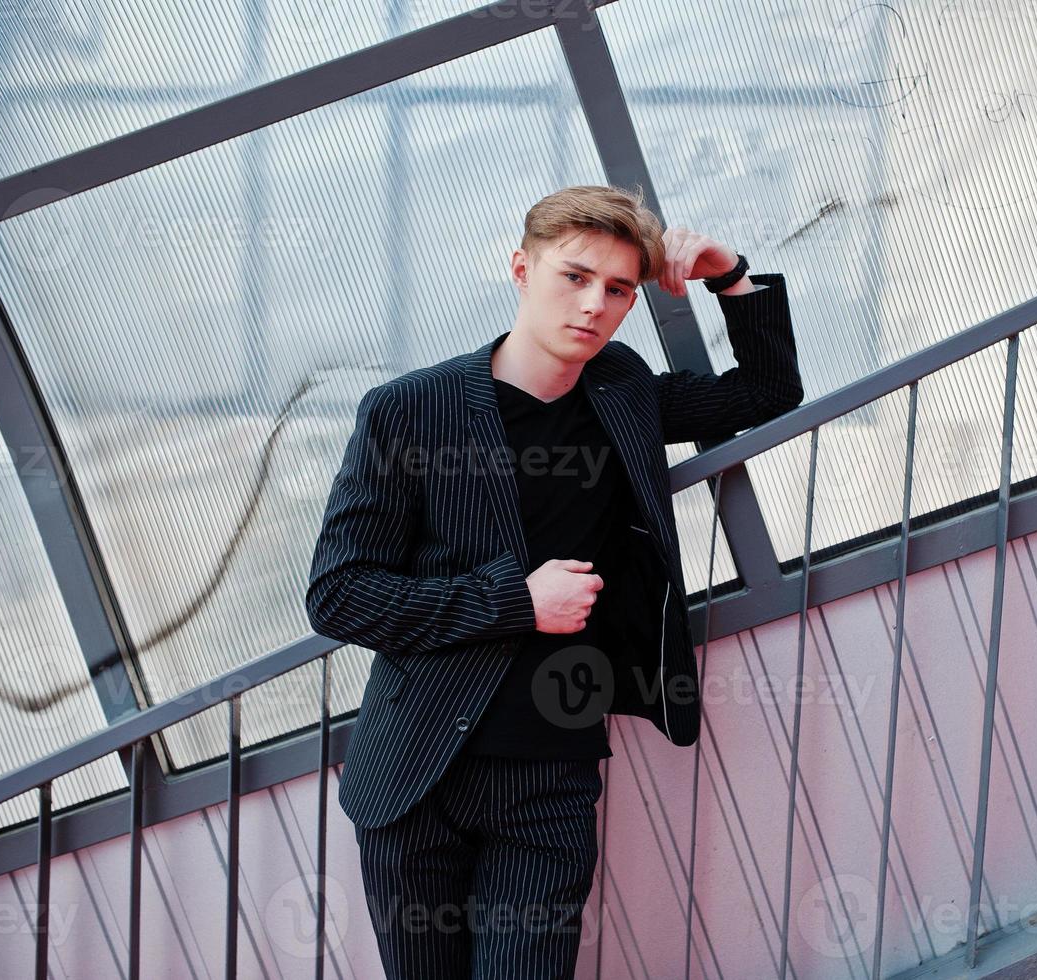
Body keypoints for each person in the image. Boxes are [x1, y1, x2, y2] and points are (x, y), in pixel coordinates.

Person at [305, 183, 803, 978]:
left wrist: (728, 273)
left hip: (549, 775)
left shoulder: (621, 391)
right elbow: (339, 594)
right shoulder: (409, 411)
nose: (594, 305)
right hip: (415, 777)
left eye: (617, 290)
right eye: (573, 277)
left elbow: (766, 393)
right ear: (521, 270)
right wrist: (516, 602)